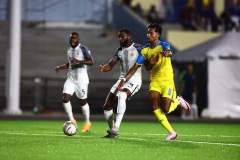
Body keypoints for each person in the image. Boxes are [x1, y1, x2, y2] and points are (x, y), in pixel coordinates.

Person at [118, 23, 191, 141]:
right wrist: (124, 79)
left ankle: (177, 101)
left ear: (157, 35)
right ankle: (172, 133)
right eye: (147, 32)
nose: (148, 35)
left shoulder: (163, 45)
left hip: (167, 81)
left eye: (151, 33)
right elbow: (139, 67)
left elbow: (169, 51)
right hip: (155, 81)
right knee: (154, 105)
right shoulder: (145, 50)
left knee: (166, 109)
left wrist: (167, 53)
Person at [99, 28, 142, 138]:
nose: (120, 38)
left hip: (134, 79)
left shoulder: (139, 48)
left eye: (122, 36)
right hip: (121, 79)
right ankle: (112, 131)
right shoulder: (119, 51)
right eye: (119, 36)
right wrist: (104, 68)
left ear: (129, 36)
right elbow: (110, 65)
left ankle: (116, 127)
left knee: (122, 95)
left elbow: (147, 62)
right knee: (107, 106)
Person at [54, 32, 93, 132]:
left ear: (78, 39)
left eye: (74, 39)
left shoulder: (83, 48)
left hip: (81, 79)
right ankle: (72, 120)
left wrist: (79, 61)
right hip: (71, 78)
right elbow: (70, 64)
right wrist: (60, 67)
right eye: (71, 39)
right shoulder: (69, 50)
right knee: (65, 98)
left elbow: (91, 61)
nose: (72, 40)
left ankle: (87, 122)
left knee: (83, 101)